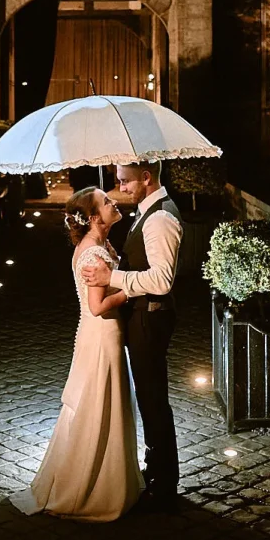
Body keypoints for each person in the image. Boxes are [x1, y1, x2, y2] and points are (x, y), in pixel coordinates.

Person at [9, 186, 144, 521]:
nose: (115, 202)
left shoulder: (100, 245)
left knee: (101, 402)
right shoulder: (92, 254)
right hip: (102, 335)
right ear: (95, 217)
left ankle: (108, 479)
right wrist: (129, 289)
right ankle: (90, 486)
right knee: (97, 404)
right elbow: (97, 306)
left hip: (101, 334)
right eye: (107, 201)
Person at [81, 160, 182, 512]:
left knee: (153, 401)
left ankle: (163, 484)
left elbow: (161, 281)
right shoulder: (146, 211)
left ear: (145, 178)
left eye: (125, 181)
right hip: (142, 318)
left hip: (151, 319)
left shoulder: (161, 218)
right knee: (148, 399)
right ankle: (156, 472)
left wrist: (114, 276)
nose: (120, 189)